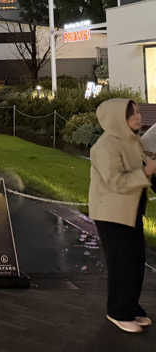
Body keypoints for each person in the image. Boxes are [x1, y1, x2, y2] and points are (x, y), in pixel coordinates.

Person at [89, 99, 156, 334]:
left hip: (131, 211)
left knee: (136, 261)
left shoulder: (133, 141)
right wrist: (146, 170)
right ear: (117, 118)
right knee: (122, 264)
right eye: (131, 114)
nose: (138, 117)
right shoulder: (104, 147)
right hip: (112, 215)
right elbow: (116, 182)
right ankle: (118, 312)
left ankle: (131, 306)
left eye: (137, 112)